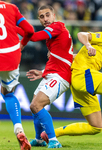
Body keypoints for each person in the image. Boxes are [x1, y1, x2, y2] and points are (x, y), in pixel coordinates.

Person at [17, 5, 73, 148]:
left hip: (60, 76)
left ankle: (53, 140)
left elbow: (34, 37)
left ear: (54, 16)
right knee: (34, 106)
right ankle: (40, 139)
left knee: (37, 105)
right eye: (41, 17)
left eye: (47, 15)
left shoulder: (57, 26)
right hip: (51, 74)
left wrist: (16, 24)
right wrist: (43, 72)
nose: (45, 19)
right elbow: (59, 57)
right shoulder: (54, 36)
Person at [0, 1, 34, 150]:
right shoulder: (11, 8)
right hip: (11, 55)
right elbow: (30, 30)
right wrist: (23, 43)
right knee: (8, 93)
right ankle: (19, 129)